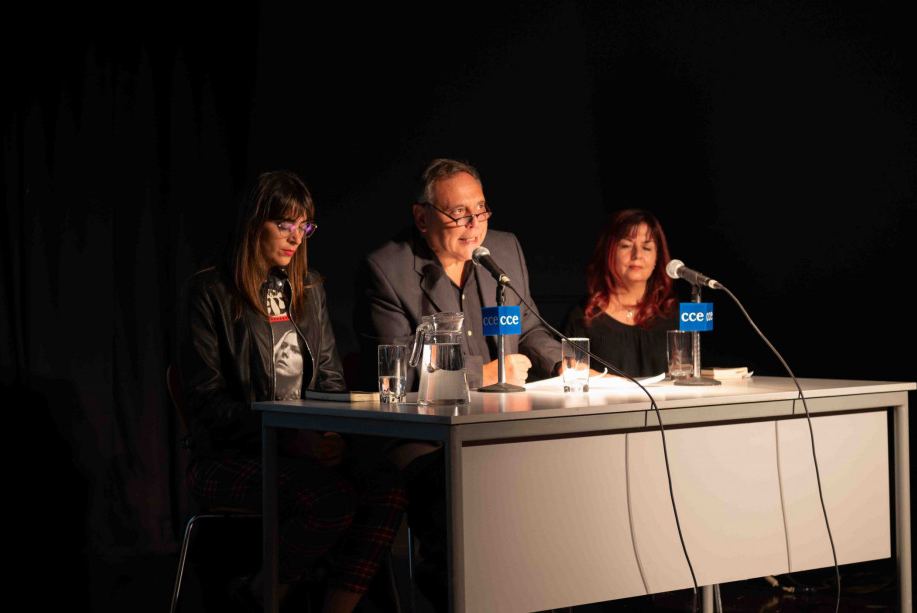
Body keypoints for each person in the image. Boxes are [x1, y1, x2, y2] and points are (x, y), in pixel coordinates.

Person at [177, 171, 406, 613]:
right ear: (253, 223)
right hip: (228, 457)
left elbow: (330, 382)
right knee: (333, 498)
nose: (296, 237)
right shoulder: (208, 292)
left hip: (301, 450)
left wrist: (332, 435)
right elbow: (206, 402)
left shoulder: (308, 287)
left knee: (388, 488)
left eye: (304, 227)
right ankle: (263, 591)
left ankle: (335, 605)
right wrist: (285, 436)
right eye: (284, 225)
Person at [355, 158, 561, 389]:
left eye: (480, 208)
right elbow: (395, 367)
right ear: (422, 218)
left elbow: (527, 330)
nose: (474, 223)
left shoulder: (504, 251)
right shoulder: (387, 272)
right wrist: (480, 375)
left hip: (505, 413)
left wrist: (563, 364)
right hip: (434, 418)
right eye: (459, 211)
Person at [564, 209, 680, 378]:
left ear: (657, 258)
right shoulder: (582, 318)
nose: (637, 255)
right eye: (626, 245)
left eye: (647, 247)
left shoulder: (672, 315)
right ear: (609, 252)